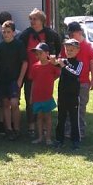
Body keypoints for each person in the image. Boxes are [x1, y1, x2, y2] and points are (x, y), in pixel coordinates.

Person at [18, 8, 61, 137]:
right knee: (30, 100)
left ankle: (44, 129)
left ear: (42, 20)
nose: (32, 21)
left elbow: (57, 50)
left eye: (35, 19)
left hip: (46, 73)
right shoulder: (25, 34)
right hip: (30, 73)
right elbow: (21, 52)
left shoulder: (51, 34)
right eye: (30, 19)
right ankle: (31, 126)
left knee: (44, 100)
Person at [60, 21, 93, 141]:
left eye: (73, 34)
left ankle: (80, 130)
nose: (70, 36)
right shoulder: (67, 45)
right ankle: (67, 130)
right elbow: (62, 61)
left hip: (83, 82)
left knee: (80, 108)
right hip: (68, 82)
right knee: (67, 106)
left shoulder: (87, 46)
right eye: (69, 34)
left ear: (79, 32)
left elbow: (92, 62)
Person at [0, 20, 27, 141]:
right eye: (4, 32)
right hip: (2, 80)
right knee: (5, 104)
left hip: (14, 80)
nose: (6, 34)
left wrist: (20, 79)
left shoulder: (19, 45)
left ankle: (16, 129)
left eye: (8, 32)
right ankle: (9, 129)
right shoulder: (0, 47)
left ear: (13, 32)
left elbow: (25, 63)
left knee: (14, 103)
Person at [27, 43, 60, 145]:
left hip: (47, 97)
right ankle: (40, 137)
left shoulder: (52, 65)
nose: (38, 55)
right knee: (39, 117)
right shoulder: (35, 66)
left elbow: (57, 74)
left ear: (47, 53)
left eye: (40, 53)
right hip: (37, 96)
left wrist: (50, 80)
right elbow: (33, 82)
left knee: (48, 117)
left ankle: (48, 138)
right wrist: (31, 96)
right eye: (37, 54)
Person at [54, 39, 83, 150]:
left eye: (71, 50)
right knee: (61, 118)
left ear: (77, 50)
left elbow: (75, 74)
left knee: (74, 119)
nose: (69, 52)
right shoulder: (63, 61)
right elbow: (53, 62)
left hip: (73, 96)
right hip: (62, 95)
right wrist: (52, 59)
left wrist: (63, 66)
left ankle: (75, 141)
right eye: (67, 49)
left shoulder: (79, 63)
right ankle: (59, 140)